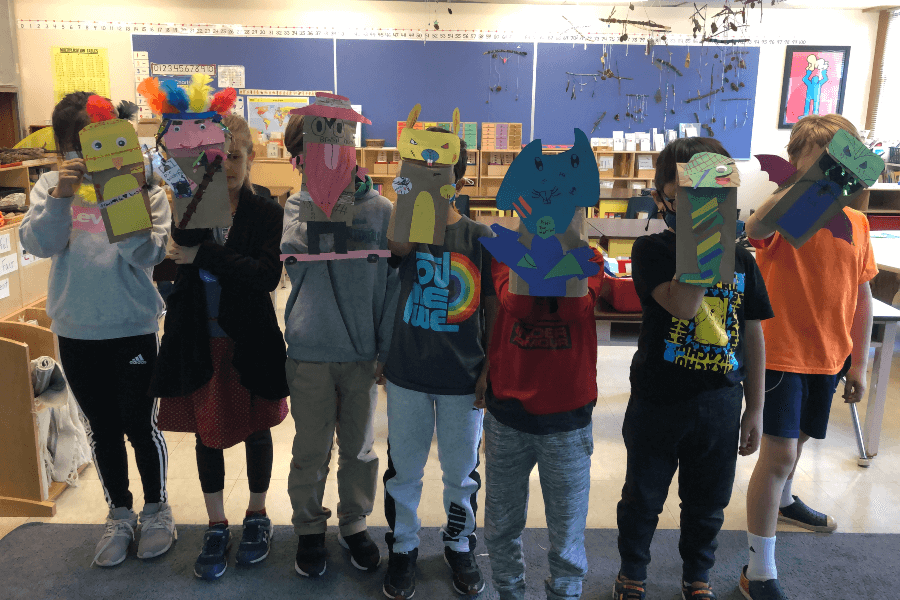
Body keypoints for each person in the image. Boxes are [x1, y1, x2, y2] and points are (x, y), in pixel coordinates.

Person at [18, 91, 175, 567]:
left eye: (105, 140)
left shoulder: (143, 186)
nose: (93, 155)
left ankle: (157, 509)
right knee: (101, 428)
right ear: (65, 147)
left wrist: (120, 198)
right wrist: (64, 199)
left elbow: (149, 254)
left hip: (131, 326)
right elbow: (38, 244)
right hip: (76, 329)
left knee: (139, 425)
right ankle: (120, 512)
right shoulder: (49, 186)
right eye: (82, 144)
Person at [614, 137, 773, 600]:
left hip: (720, 403)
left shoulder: (742, 260)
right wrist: (705, 240)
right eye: (683, 192)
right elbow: (685, 306)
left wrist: (756, 408)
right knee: (642, 498)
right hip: (657, 400)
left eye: (707, 194)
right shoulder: (651, 253)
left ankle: (697, 577)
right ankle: (632, 573)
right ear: (661, 194)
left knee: (707, 504)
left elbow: (754, 334)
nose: (693, 203)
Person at [740, 114, 876, 600]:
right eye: (814, 160)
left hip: (828, 356)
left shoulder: (857, 223)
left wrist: (857, 362)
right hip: (780, 353)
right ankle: (759, 570)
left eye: (836, 163)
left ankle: (786, 500)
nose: (827, 172)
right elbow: (754, 226)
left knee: (796, 446)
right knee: (778, 454)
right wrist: (805, 188)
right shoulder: (786, 217)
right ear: (796, 163)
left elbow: (861, 297)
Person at [148, 114, 290, 581]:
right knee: (207, 435)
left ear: (250, 159)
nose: (226, 166)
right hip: (197, 338)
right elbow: (182, 248)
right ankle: (215, 524)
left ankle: (256, 516)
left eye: (234, 157)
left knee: (255, 428)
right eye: (214, 158)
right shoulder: (192, 206)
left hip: (248, 340)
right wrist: (184, 184)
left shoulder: (267, 212)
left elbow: (264, 275)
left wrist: (205, 256)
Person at [280, 104, 399, 578]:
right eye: (309, 155)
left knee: (359, 446)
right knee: (310, 448)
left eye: (336, 148)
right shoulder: (294, 206)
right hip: (310, 350)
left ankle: (353, 521)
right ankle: (309, 527)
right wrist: (324, 199)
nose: (325, 160)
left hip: (361, 353)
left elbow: (390, 287)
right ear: (299, 160)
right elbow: (295, 250)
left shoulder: (381, 209)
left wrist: (385, 349)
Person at [381, 130, 498, 599]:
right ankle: (403, 546)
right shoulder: (406, 230)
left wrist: (490, 367)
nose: (431, 174)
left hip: (463, 378)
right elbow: (397, 251)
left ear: (460, 176)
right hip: (408, 371)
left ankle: (459, 542)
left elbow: (491, 305)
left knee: (461, 470)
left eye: (440, 169)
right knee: (404, 469)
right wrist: (410, 201)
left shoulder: (479, 235)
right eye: (420, 167)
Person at [481, 251, 604, 600]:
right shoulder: (506, 253)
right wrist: (534, 248)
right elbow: (515, 303)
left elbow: (572, 309)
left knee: (567, 531)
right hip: (509, 412)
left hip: (567, 415)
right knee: (501, 526)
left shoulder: (591, 258)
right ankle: (509, 591)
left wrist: (564, 251)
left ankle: (564, 593)